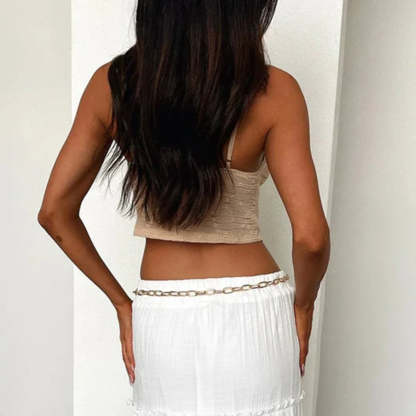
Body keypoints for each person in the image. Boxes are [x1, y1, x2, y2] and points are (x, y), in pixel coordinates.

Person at [38, 1, 330, 415]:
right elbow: (312, 238)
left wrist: (121, 304)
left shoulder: (113, 85)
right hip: (255, 312)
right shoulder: (276, 91)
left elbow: (54, 211)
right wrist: (304, 305)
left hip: (162, 315)